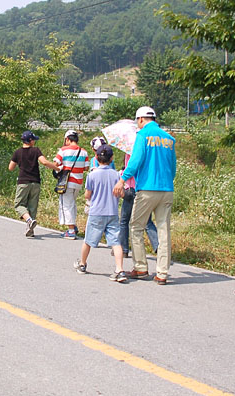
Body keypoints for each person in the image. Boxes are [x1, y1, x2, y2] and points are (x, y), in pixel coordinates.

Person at [112, 106, 176, 285]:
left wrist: (122, 180)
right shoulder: (169, 139)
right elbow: (173, 168)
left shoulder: (142, 136)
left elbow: (136, 160)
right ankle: (162, 273)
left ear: (140, 120)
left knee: (136, 227)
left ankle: (140, 267)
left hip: (147, 189)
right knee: (164, 230)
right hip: (167, 189)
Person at [74, 145, 126, 282]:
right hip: (112, 212)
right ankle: (120, 270)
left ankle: (82, 264)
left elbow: (87, 195)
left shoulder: (92, 175)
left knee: (88, 240)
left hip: (96, 212)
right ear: (112, 158)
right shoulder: (117, 175)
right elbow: (121, 193)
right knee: (115, 242)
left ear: (96, 158)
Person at [8, 130, 59, 237]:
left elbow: (10, 168)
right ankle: (30, 229)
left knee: (19, 205)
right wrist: (57, 168)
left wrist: (19, 162)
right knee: (32, 206)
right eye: (33, 140)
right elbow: (44, 162)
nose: (34, 142)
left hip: (23, 182)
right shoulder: (36, 151)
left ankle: (29, 220)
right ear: (30, 141)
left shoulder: (17, 152)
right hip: (35, 182)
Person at [118, 150, 160, 259]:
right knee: (147, 221)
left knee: (124, 220)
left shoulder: (130, 152)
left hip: (131, 188)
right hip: (143, 188)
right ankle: (158, 246)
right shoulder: (147, 152)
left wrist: (121, 175)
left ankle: (123, 249)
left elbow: (130, 170)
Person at [53, 130, 89, 240]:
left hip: (67, 182)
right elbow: (86, 168)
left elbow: (55, 164)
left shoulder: (63, 150)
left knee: (66, 205)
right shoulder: (83, 152)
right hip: (78, 182)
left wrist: (63, 167)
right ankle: (73, 226)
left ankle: (71, 231)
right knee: (72, 203)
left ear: (68, 139)